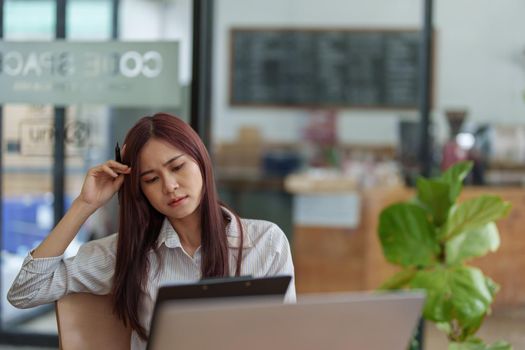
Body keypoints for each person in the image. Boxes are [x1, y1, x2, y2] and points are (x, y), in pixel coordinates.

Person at [8, 113, 296, 350]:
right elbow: (25, 291)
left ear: (201, 162)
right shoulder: (126, 253)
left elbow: (285, 338)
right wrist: (85, 205)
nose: (169, 185)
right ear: (141, 190)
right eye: (151, 179)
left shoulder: (265, 242)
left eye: (178, 167)